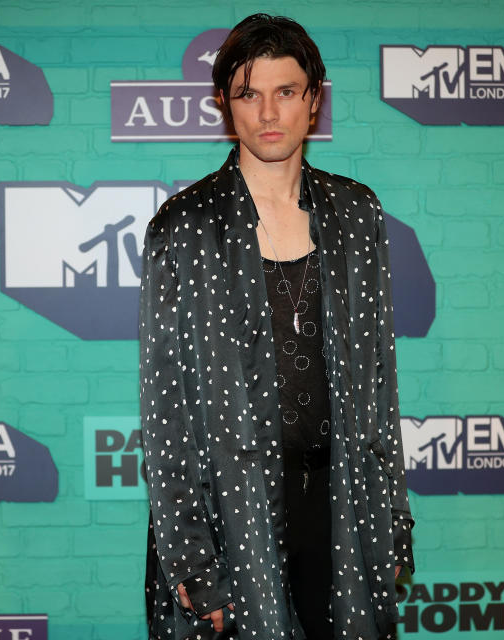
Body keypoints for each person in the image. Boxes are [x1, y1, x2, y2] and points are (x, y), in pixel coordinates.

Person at [139, 14, 414, 640]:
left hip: (342, 506)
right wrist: (190, 559)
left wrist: (392, 517)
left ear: (314, 100)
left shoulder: (356, 214)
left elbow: (379, 385)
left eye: (286, 92)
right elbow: (166, 408)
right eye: (248, 93)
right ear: (223, 105)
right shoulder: (185, 227)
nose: (268, 111)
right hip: (231, 515)